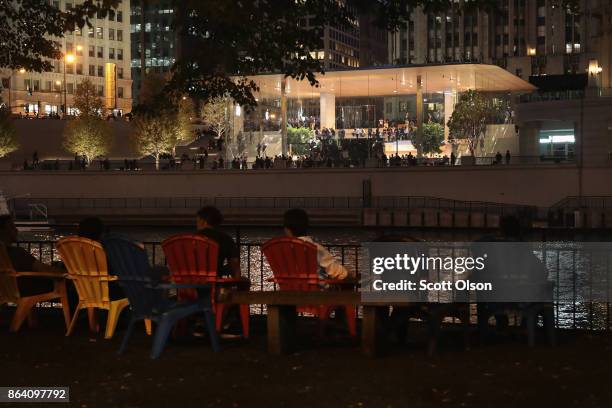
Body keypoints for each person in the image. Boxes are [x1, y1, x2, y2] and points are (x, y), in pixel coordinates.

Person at [0, 215, 63, 296]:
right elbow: (44, 269)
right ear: (2, 231)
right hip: (26, 289)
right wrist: (65, 273)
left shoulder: (4, 254)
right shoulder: (17, 253)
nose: (16, 230)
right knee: (66, 284)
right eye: (11, 227)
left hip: (6, 290)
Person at [282, 209, 348, 280]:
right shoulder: (314, 248)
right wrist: (348, 273)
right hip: (316, 289)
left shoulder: (279, 250)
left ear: (287, 229)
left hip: (288, 289)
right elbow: (340, 273)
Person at [196, 206, 241, 278]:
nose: (197, 224)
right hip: (214, 281)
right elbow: (234, 264)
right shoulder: (226, 239)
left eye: (197, 221)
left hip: (189, 284)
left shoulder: (190, 239)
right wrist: (236, 284)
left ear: (203, 221)